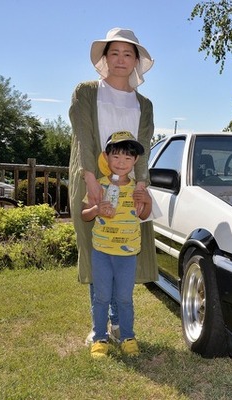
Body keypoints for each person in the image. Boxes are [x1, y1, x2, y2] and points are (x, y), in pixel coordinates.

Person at [68, 27, 158, 350]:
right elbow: (83, 137)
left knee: (122, 243)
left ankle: (120, 325)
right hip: (90, 178)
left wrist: (142, 187)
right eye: (114, 52)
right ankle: (100, 328)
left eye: (128, 53)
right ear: (105, 58)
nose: (121, 59)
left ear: (136, 61)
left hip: (129, 183)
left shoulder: (144, 104)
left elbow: (144, 146)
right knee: (96, 247)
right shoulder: (86, 92)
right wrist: (90, 179)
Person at [82, 132, 151, 358]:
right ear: (106, 157)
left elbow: (144, 216)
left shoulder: (138, 189)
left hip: (127, 253)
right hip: (102, 252)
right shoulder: (98, 186)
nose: (121, 163)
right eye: (116, 157)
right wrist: (96, 210)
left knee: (124, 298)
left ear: (135, 162)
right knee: (101, 297)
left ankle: (127, 336)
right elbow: (85, 215)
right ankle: (99, 337)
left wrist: (146, 201)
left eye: (128, 158)